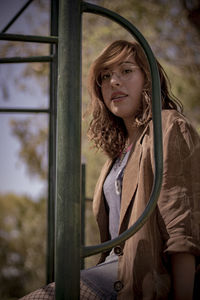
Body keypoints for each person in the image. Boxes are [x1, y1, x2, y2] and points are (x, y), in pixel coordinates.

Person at [20, 40, 200, 300]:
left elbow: (182, 227)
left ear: (148, 79)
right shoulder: (115, 155)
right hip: (111, 271)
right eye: (105, 76)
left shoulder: (168, 126)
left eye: (126, 71)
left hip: (146, 276)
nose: (114, 82)